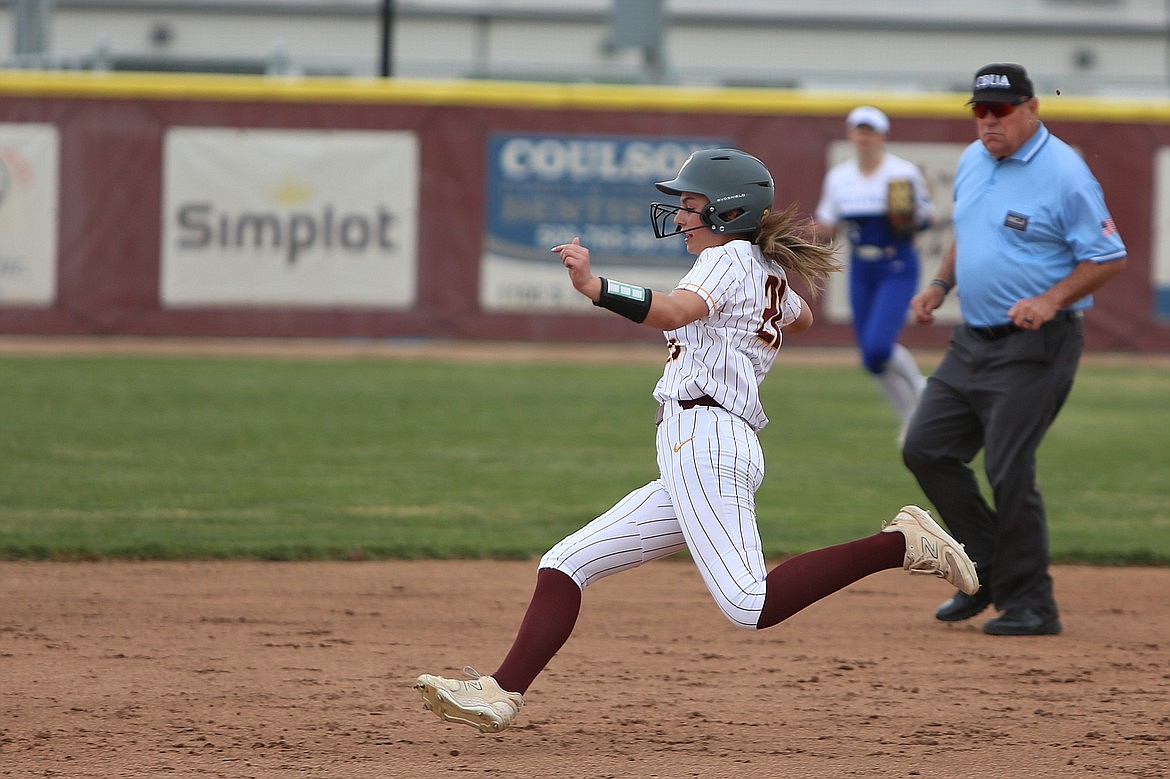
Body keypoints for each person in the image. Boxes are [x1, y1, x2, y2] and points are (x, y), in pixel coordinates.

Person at [415, 148, 978, 733]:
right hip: (706, 441)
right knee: (565, 563)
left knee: (749, 604)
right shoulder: (761, 267)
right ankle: (502, 691)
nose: (680, 215)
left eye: (691, 204)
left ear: (730, 212)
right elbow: (801, 316)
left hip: (705, 440)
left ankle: (900, 543)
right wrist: (766, 296)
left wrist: (595, 286)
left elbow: (675, 311)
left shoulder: (730, 255)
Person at [903, 64, 1127, 637]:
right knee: (926, 448)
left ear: (1031, 109)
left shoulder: (1065, 173)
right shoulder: (975, 160)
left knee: (1008, 469)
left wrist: (1052, 299)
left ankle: (1032, 603)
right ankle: (988, 567)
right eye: (979, 110)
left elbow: (1107, 255)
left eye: (999, 111)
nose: (987, 122)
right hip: (971, 340)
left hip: (1036, 347)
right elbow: (968, 232)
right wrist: (939, 285)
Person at [814, 106, 935, 440]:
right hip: (861, 266)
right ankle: (910, 419)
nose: (864, 138)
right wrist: (801, 235)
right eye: (858, 131)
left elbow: (925, 217)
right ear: (851, 135)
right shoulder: (840, 177)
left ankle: (920, 387)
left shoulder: (902, 173)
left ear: (882, 135)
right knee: (871, 360)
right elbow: (828, 225)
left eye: (870, 131)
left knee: (879, 347)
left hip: (896, 262)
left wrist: (910, 219)